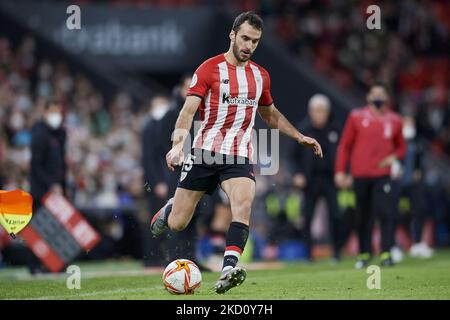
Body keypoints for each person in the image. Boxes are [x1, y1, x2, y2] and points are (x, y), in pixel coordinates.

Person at [149, 11, 323, 294]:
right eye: (244, 38)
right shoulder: (209, 69)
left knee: (242, 205)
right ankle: (170, 208)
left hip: (239, 155)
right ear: (232, 35)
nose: (248, 46)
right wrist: (177, 146)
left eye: (254, 41)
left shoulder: (260, 77)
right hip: (204, 153)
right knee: (179, 223)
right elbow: (188, 111)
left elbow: (270, 115)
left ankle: (229, 267)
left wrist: (299, 136)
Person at [335, 82, 407, 269]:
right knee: (362, 216)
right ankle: (364, 253)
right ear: (368, 97)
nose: (377, 98)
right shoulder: (356, 117)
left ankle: (386, 252)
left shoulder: (395, 120)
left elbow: (402, 147)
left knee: (385, 213)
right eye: (374, 94)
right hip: (360, 175)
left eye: (381, 94)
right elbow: (345, 146)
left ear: (387, 98)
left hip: (383, 175)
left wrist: (394, 157)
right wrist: (340, 171)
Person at [291, 94, 341, 262]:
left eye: (322, 111)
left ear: (327, 112)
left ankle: (337, 253)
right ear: (310, 112)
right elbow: (292, 156)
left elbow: (343, 154)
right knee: (307, 217)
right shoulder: (302, 130)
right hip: (310, 180)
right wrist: (297, 173)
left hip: (330, 180)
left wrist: (343, 172)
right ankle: (308, 255)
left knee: (336, 214)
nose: (319, 114)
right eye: (316, 111)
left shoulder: (335, 130)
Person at [30, 100, 66, 209]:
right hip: (42, 192)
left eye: (58, 112)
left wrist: (62, 183)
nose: (56, 115)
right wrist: (51, 184)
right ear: (45, 112)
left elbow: (61, 160)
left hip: (57, 189)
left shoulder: (59, 133)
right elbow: (36, 165)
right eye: (53, 111)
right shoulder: (40, 134)